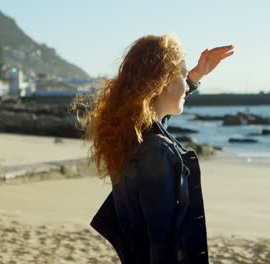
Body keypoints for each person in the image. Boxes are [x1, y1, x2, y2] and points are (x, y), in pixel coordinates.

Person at [71, 34, 234, 263]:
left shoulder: (134, 137)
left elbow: (157, 125)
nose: (187, 84)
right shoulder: (156, 152)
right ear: (165, 82)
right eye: (183, 76)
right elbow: (160, 241)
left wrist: (196, 76)